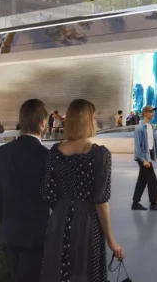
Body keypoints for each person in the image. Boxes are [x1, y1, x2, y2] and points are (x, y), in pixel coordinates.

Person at [41, 98, 124, 281]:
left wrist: (63, 208)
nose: (95, 120)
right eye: (93, 117)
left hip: (59, 221)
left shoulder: (54, 151)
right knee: (86, 272)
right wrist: (111, 240)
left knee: (60, 272)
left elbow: (48, 192)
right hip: (87, 222)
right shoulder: (99, 154)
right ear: (87, 120)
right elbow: (101, 201)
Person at [0, 99, 50, 282]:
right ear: (42, 123)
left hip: (10, 233)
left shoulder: (2, 152)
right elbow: (53, 197)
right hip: (37, 236)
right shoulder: (46, 156)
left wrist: (7, 220)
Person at [131, 105, 157, 212]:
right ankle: (154, 203)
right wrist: (143, 160)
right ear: (144, 113)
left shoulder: (151, 127)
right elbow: (137, 146)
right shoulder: (139, 127)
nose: (152, 113)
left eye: (153, 111)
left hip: (148, 156)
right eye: (150, 111)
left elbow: (156, 144)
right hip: (143, 157)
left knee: (142, 180)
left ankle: (135, 203)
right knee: (152, 179)